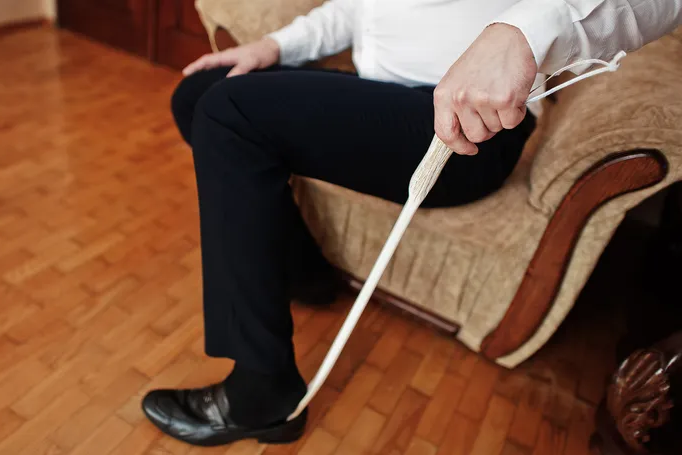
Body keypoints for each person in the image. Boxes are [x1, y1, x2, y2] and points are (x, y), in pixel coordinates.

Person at [141, 0, 682, 447]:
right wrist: (273, 47)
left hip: (461, 128)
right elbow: (356, 10)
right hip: (380, 95)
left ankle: (262, 392)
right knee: (199, 95)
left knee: (228, 110)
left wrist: (523, 33)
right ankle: (304, 271)